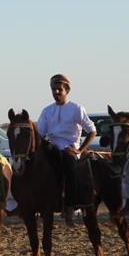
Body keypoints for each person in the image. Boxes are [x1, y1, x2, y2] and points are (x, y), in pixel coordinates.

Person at [36, 74, 96, 224]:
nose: (56, 92)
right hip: (52, 147)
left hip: (70, 148)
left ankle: (70, 207)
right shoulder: (47, 111)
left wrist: (80, 150)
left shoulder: (76, 108)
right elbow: (40, 134)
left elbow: (92, 131)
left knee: (70, 168)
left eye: (59, 89)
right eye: (53, 89)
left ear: (66, 90)